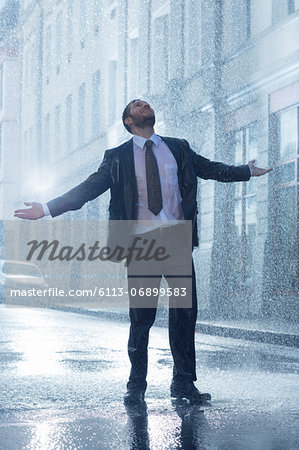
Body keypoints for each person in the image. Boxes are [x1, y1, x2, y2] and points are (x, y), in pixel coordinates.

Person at [14, 99, 272, 404]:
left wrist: (245, 171)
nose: (144, 105)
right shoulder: (117, 158)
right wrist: (45, 209)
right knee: (142, 319)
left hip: (176, 243)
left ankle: (183, 383)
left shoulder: (178, 148)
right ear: (129, 121)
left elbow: (209, 168)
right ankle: (136, 385)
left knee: (184, 316)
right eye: (137, 105)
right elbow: (86, 190)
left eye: (145, 103)